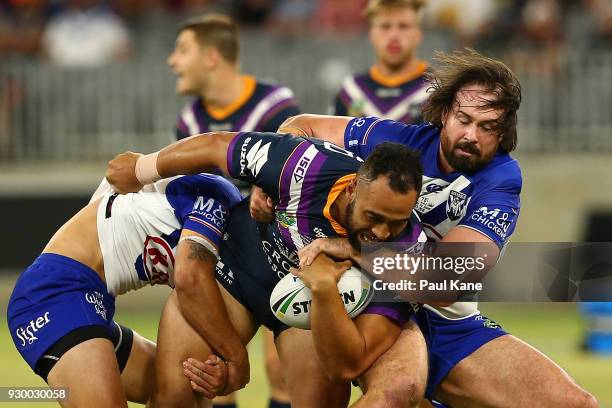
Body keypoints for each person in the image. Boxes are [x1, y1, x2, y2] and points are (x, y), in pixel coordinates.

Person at [252, 48, 598, 407]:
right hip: (370, 304)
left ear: (504, 131)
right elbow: (302, 126)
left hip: (446, 323)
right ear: (445, 113)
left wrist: (355, 252)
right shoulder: (401, 141)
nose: (472, 135)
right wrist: (270, 177)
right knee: (392, 392)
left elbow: (446, 280)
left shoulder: (501, 179)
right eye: (464, 119)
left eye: (488, 126)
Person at [105, 129, 427, 407]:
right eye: (373, 217)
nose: (383, 233)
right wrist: (141, 168)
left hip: (311, 315)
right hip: (237, 272)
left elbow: (349, 364)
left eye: (395, 223)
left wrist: (345, 263)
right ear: (352, 189)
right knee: (175, 397)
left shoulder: (411, 251)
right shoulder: (304, 164)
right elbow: (218, 146)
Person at [7, 173, 244, 407]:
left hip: (91, 304)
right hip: (54, 295)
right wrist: (236, 358)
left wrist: (220, 362)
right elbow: (189, 279)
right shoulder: (219, 198)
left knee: (186, 392)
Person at [167, 13, 299, 408]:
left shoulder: (276, 106)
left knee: (282, 371)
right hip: (226, 257)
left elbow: (298, 167)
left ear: (211, 57)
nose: (173, 61)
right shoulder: (189, 122)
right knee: (208, 371)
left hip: (278, 252)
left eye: (182, 50)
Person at [333, 0, 429, 124]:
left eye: (403, 26)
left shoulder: (439, 91)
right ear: (371, 34)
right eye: (385, 26)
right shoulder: (351, 93)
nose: (394, 35)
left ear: (418, 35)